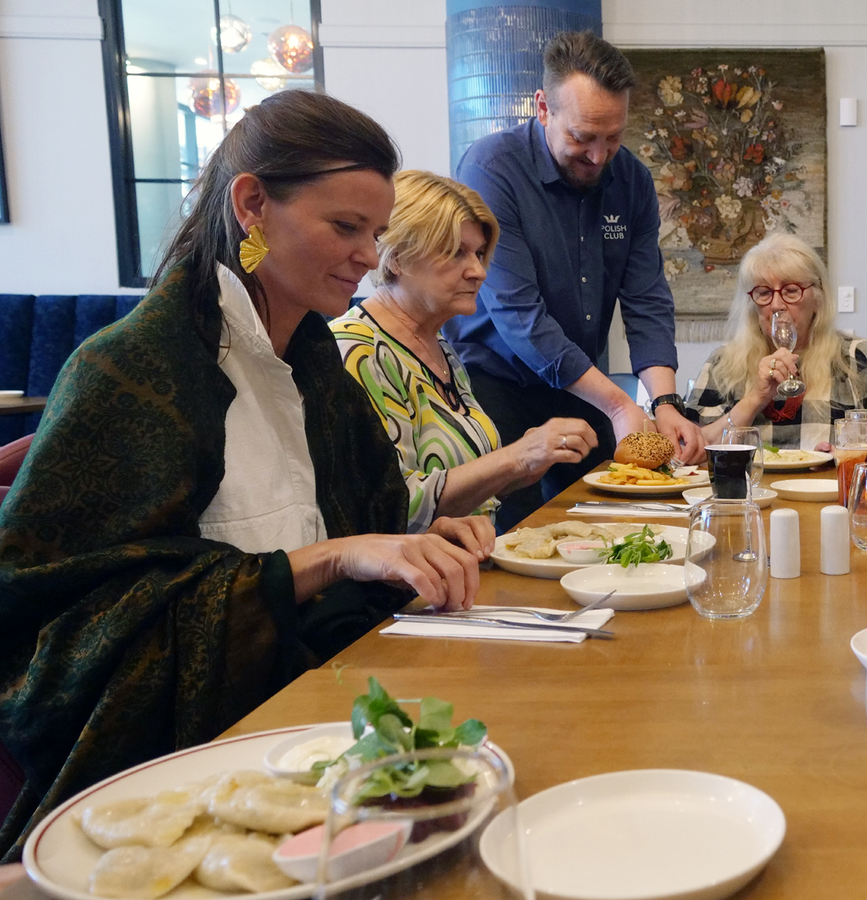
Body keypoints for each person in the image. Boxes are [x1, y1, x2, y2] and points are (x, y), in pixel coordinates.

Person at [0, 91, 492, 861]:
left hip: (318, 722)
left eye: (375, 232)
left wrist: (416, 543)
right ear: (253, 204)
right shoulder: (131, 369)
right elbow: (62, 637)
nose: (369, 257)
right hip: (179, 782)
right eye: (345, 227)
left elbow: (364, 524)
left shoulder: (317, 368)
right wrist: (334, 558)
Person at [447, 31, 703, 526]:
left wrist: (665, 403)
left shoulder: (633, 180)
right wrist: (621, 406)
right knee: (514, 531)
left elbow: (647, 297)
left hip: (580, 382)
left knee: (611, 515)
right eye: (583, 137)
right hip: (495, 383)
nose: (599, 156)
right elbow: (520, 314)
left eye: (614, 137)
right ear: (543, 108)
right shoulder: (491, 169)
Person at [331, 170, 598, 532]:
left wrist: (532, 461)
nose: (478, 271)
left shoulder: (439, 346)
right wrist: (516, 457)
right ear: (397, 258)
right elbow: (390, 506)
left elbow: (468, 487)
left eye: (479, 253)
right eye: (456, 253)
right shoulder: (356, 350)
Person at [685, 234, 867, 449]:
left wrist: (841, 456)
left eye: (791, 290)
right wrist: (755, 399)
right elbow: (692, 450)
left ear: (817, 298)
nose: (776, 305)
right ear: (752, 304)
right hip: (749, 484)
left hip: (827, 483)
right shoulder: (723, 362)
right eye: (764, 293)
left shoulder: (854, 356)